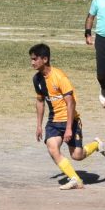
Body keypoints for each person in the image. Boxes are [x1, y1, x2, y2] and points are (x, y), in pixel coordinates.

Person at [29, 43, 103, 190]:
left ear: (45, 59)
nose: (32, 62)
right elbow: (40, 102)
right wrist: (38, 126)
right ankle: (76, 180)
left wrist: (69, 128)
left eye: (35, 59)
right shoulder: (37, 79)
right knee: (52, 147)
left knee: (77, 155)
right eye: (31, 59)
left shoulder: (59, 77)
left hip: (71, 120)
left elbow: (71, 103)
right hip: (53, 121)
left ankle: (97, 144)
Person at [84, 0, 105, 107]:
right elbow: (90, 17)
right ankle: (103, 88)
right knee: (101, 74)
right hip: (102, 39)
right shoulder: (98, 0)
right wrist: (88, 34)